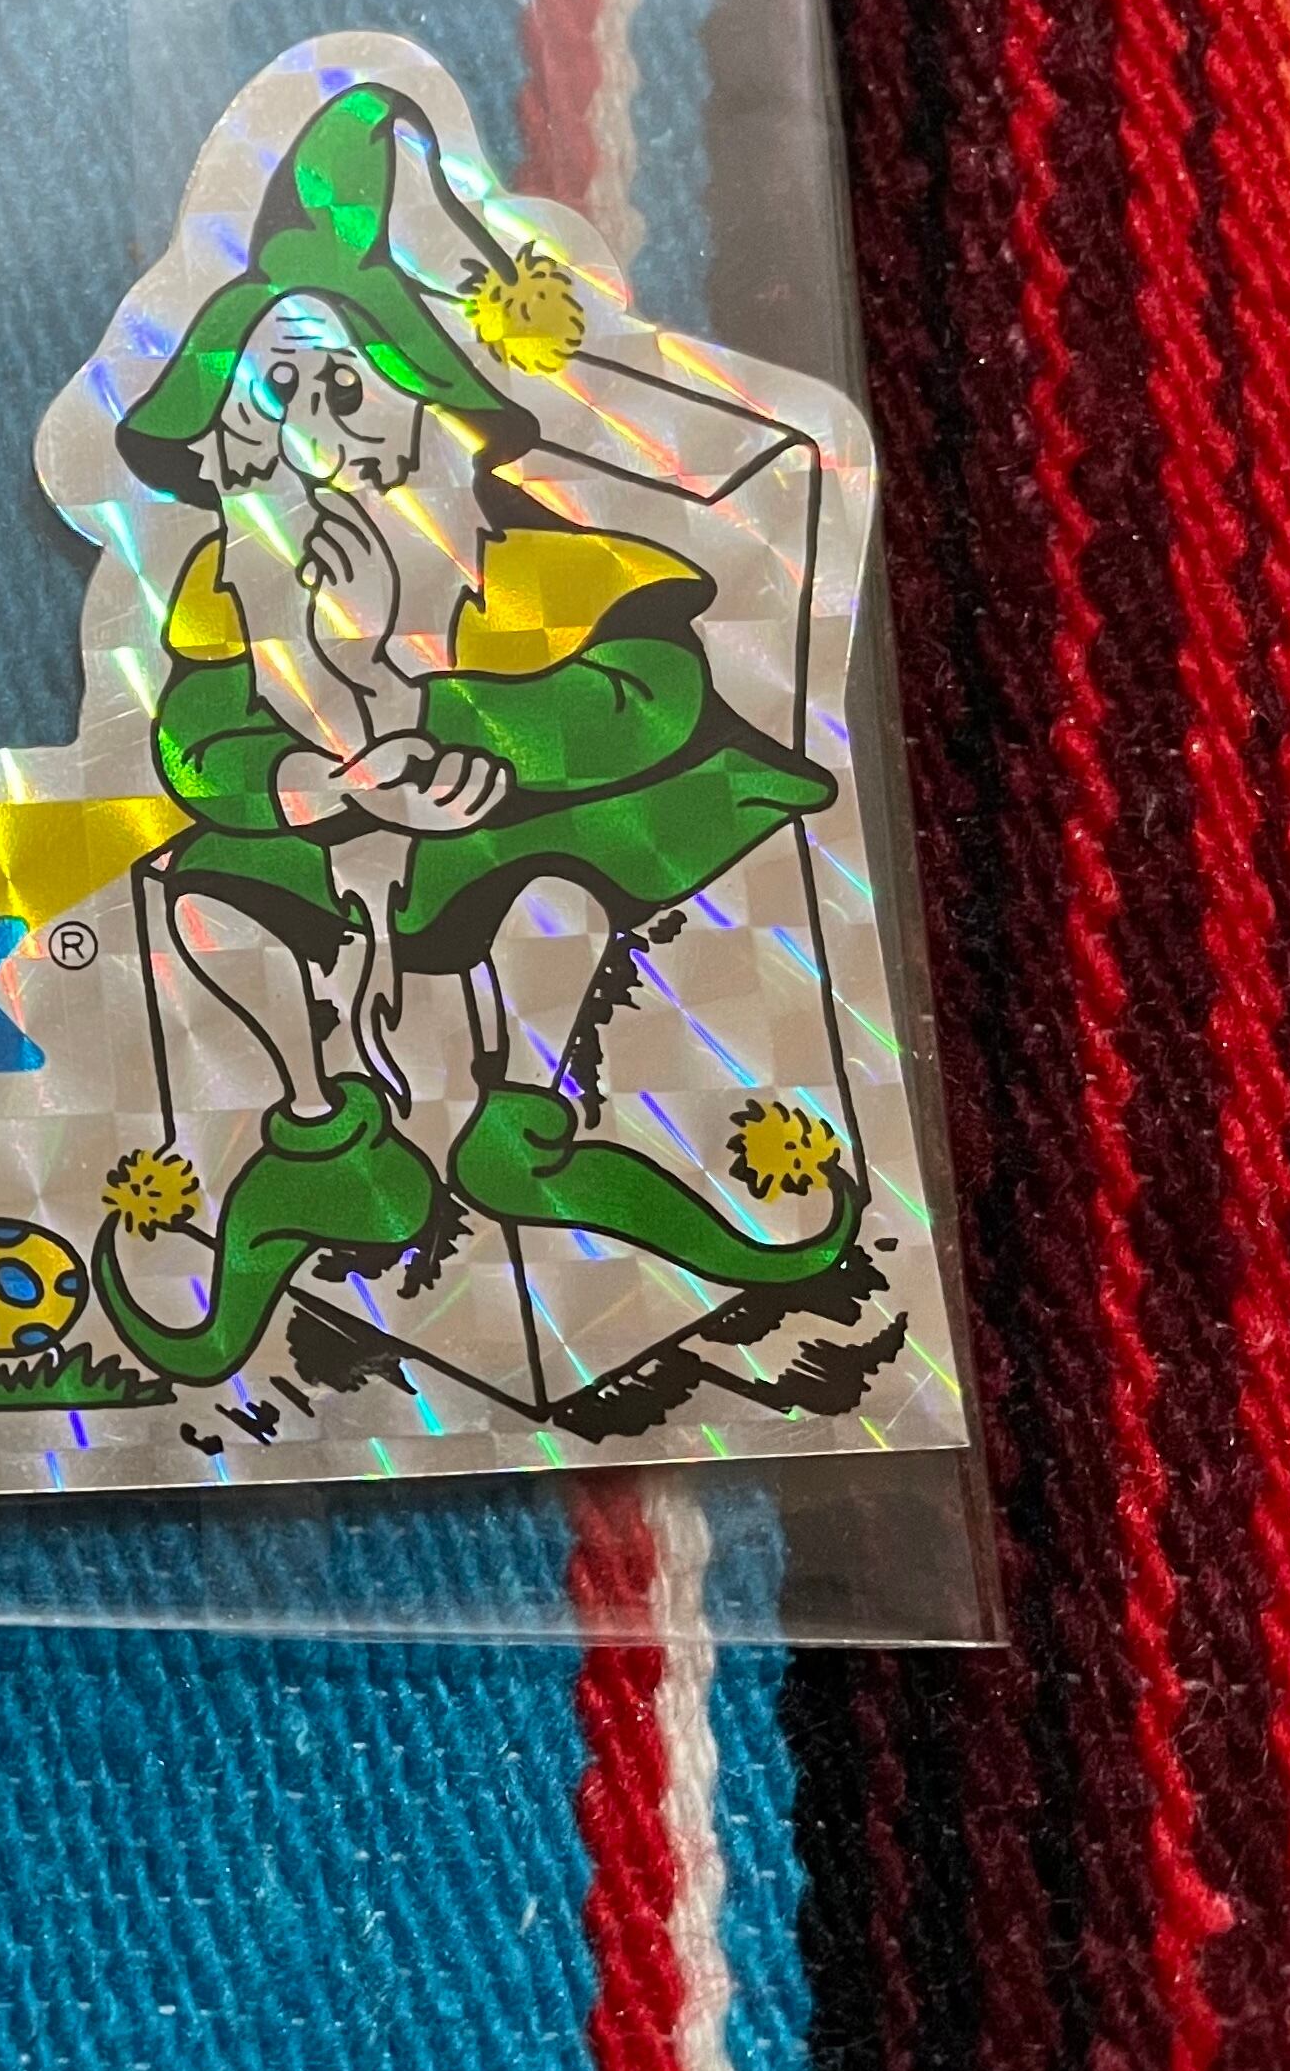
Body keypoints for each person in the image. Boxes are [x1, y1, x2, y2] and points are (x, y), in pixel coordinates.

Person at [90, 81, 861, 1385]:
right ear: (220, 450)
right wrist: (293, 780)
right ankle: (329, 1141)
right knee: (214, 909)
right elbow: (196, 739)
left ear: (432, 422)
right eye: (269, 397)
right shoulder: (228, 593)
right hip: (329, 832)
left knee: (534, 907)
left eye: (343, 388)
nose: (309, 437)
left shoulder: (528, 569)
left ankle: (527, 1129)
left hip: (524, 821)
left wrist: (444, 721)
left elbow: (648, 695)